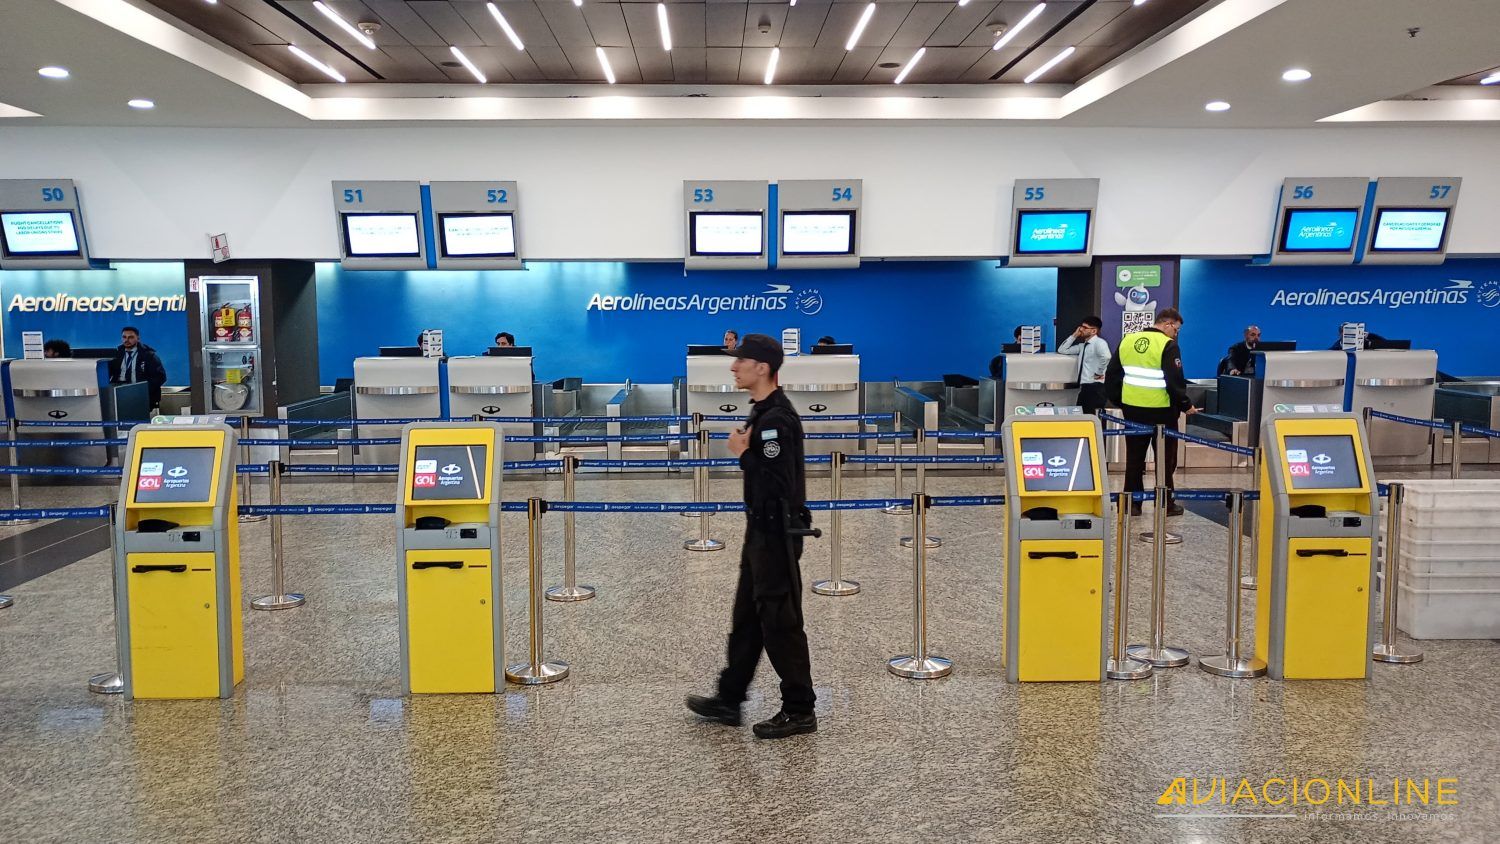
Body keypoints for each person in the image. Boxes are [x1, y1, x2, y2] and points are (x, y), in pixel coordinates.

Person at [687, 333, 816, 740]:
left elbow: (777, 483)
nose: (733, 366)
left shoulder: (777, 418)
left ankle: (800, 709)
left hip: (776, 533)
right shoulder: (761, 411)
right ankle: (729, 698)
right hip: (759, 530)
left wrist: (742, 453)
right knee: (747, 618)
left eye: (741, 361)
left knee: (780, 622)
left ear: (763, 367)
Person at [1105, 308, 1198, 516]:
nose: (1176, 333)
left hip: (1133, 411)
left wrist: (1121, 400)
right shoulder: (1168, 345)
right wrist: (1186, 405)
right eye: (1177, 329)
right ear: (1168, 324)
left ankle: (1132, 503)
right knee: (1165, 460)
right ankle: (1165, 504)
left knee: (1134, 458)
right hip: (1162, 412)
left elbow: (1111, 374)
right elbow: (1174, 380)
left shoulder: (1127, 340)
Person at [1056, 316, 1111, 414]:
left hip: (1095, 387)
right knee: (1082, 415)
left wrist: (1099, 372)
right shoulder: (1082, 346)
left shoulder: (1099, 343)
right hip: (1086, 387)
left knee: (1091, 417)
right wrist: (1074, 335)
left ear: (1094, 331)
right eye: (1081, 326)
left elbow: (1106, 357)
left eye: (1085, 328)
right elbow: (1062, 350)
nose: (1081, 329)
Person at [108, 326, 167, 410]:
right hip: (119, 395)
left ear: (138, 338)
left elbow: (160, 377)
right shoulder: (116, 355)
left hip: (142, 396)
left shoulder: (149, 355)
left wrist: (142, 390)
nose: (126, 340)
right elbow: (107, 373)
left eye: (130, 337)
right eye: (124, 337)